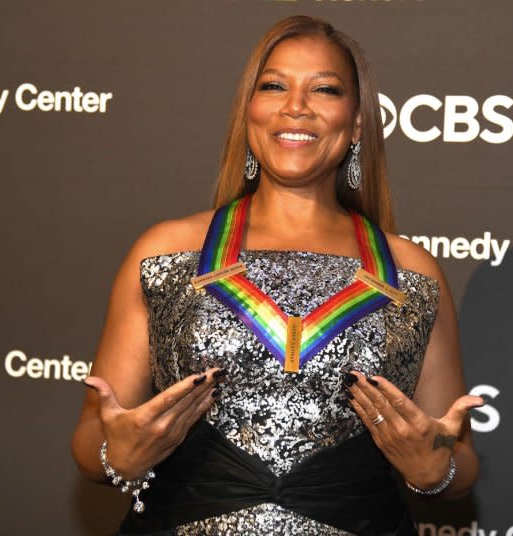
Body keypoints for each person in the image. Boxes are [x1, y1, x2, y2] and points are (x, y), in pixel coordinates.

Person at [71, 15, 483, 535]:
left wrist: (436, 468)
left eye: (325, 89)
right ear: (249, 112)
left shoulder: (411, 272)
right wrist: (117, 453)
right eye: (274, 86)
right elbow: (90, 438)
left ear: (357, 123)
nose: (296, 107)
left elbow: (459, 460)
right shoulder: (164, 252)